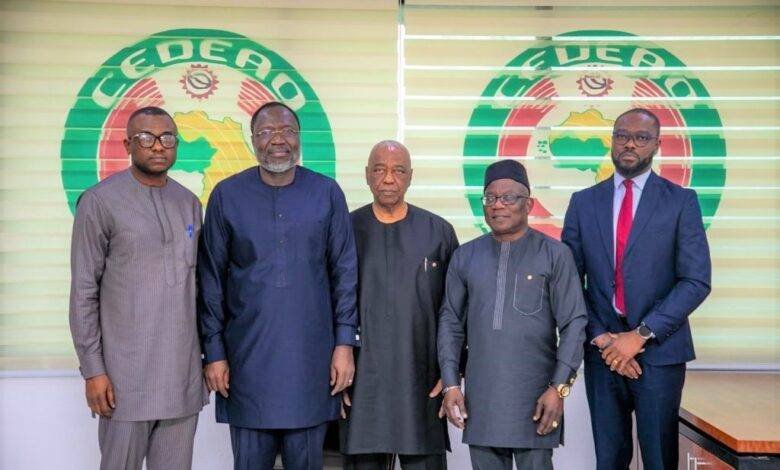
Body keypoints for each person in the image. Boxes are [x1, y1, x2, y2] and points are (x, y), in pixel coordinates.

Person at [198, 101, 359, 470]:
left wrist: (344, 345)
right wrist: (214, 351)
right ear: (253, 139)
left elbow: (344, 274)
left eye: (287, 131)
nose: (278, 140)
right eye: (267, 132)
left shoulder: (326, 193)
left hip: (311, 361)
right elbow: (210, 279)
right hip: (246, 363)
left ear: (299, 138)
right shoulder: (227, 195)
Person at [561, 108, 712, 470]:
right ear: (611, 140)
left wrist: (640, 336)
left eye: (641, 138)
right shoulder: (583, 203)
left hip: (660, 353)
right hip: (603, 354)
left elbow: (696, 281)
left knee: (659, 460)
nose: (630, 143)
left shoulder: (681, 201)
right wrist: (602, 337)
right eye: (621, 135)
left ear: (657, 145)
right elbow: (568, 280)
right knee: (609, 460)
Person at [69, 106, 207, 470]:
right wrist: (93, 370)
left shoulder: (189, 203)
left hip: (181, 376)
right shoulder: (100, 202)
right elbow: (84, 291)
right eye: (146, 138)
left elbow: (197, 288)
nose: (158, 147)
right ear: (128, 143)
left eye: (167, 138)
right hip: (124, 380)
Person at [437, 159, 587, 470]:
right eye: (490, 198)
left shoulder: (555, 254)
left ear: (529, 204)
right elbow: (451, 324)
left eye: (508, 198)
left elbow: (574, 324)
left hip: (537, 398)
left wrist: (558, 388)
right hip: (483, 399)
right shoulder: (465, 256)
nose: (497, 206)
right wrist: (452, 385)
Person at [340, 141, 458, 469]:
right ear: (366, 175)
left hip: (422, 382)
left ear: (410, 177)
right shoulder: (345, 230)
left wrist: (452, 373)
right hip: (362, 383)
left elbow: (455, 312)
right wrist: (332, 373)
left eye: (398, 170)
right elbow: (327, 306)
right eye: (379, 169)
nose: (388, 179)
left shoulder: (438, 232)